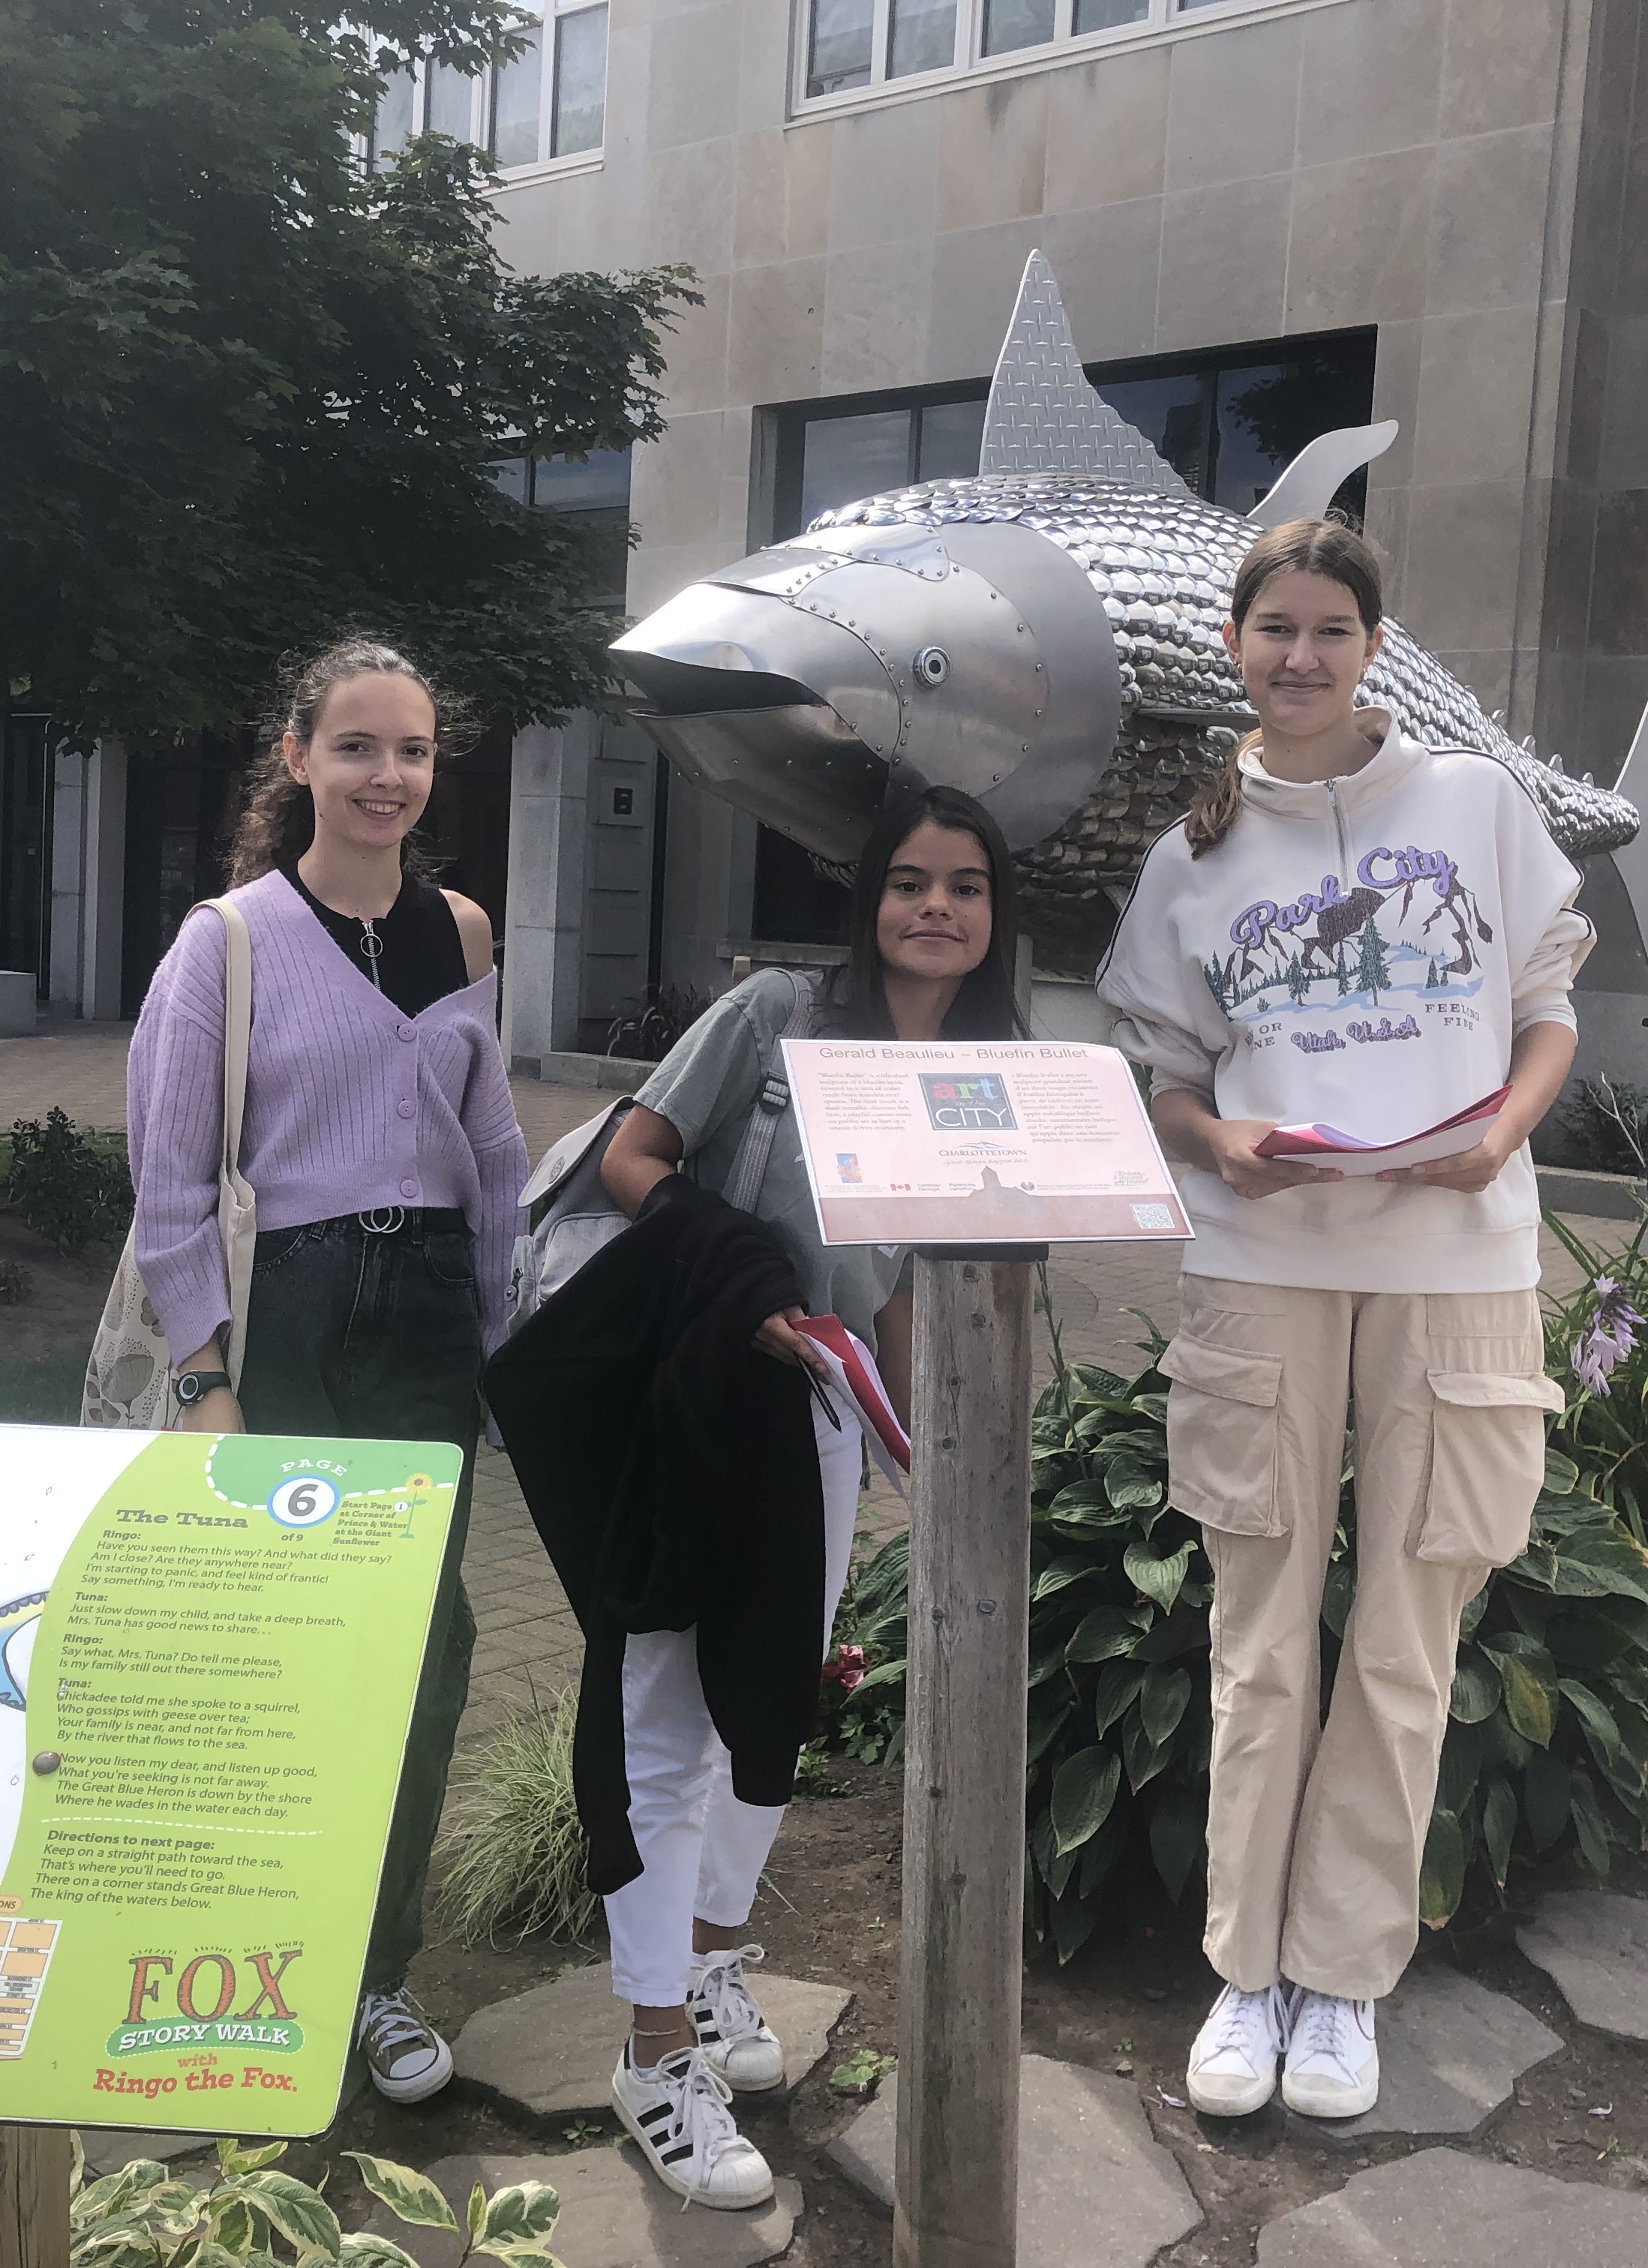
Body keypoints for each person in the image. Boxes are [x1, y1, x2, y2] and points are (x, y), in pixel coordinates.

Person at [1095, 518, 1589, 2122]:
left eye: (1330, 630)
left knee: (1408, 1630)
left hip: (1457, 1264)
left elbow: (1548, 1009)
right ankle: (1247, 1971)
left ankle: (1344, 1978)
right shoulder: (1195, 850)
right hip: (1263, 1260)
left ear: (1375, 646)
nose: (1299, 657)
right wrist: (1212, 1139)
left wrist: (1507, 1132)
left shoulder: (1475, 809)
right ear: (1233, 644)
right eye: (1274, 630)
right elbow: (1167, 1072)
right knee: (1256, 1627)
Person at [565, 785, 1022, 2209]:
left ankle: (704, 1974)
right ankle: (649, 2055)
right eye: (906, 882)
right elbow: (630, 1158)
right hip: (701, 1407)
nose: (934, 907)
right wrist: (743, 1285)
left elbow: (889, 1285)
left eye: (962, 885)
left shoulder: (987, 1062)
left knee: (768, 1706)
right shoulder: (775, 1015)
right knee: (661, 1718)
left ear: (997, 916)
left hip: (820, 1427)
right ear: (867, 899)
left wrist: (920, 1440)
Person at [124, 638, 524, 2106]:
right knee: (286, 1657)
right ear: (296, 758)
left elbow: (488, 1159)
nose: (387, 777)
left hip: (425, 1320)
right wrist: (204, 1383)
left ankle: (374, 1974)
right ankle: (252, 1957)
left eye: (412, 751)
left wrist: (502, 1338)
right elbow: (170, 1188)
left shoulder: (463, 936)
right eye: (357, 747)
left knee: (426, 1651)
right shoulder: (223, 944)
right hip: (289, 1315)